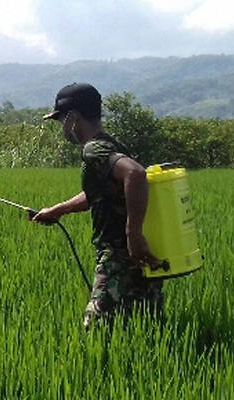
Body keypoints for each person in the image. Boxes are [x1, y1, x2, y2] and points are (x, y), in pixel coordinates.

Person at [33, 82, 163, 329]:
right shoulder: (112, 144)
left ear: (73, 117)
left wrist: (132, 235)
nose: (62, 127)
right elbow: (100, 191)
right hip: (139, 254)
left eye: (61, 120)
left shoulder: (94, 149)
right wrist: (58, 210)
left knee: (95, 333)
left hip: (118, 257)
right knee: (144, 328)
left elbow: (135, 174)